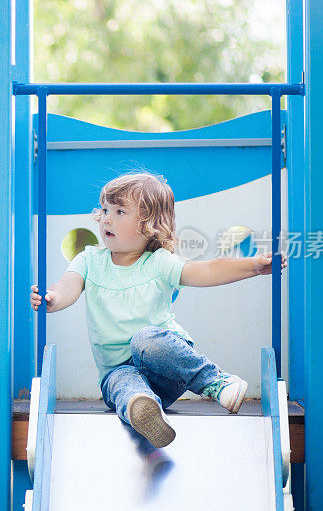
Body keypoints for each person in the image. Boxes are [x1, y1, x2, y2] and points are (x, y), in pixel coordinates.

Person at [30, 172, 286, 452]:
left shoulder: (159, 263)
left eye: (119, 211)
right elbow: (69, 284)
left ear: (148, 225)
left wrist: (252, 267)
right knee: (119, 384)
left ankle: (214, 382)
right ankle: (144, 410)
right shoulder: (90, 260)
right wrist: (53, 299)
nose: (106, 219)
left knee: (145, 340)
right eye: (104, 209)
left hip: (169, 364)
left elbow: (207, 270)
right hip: (119, 371)